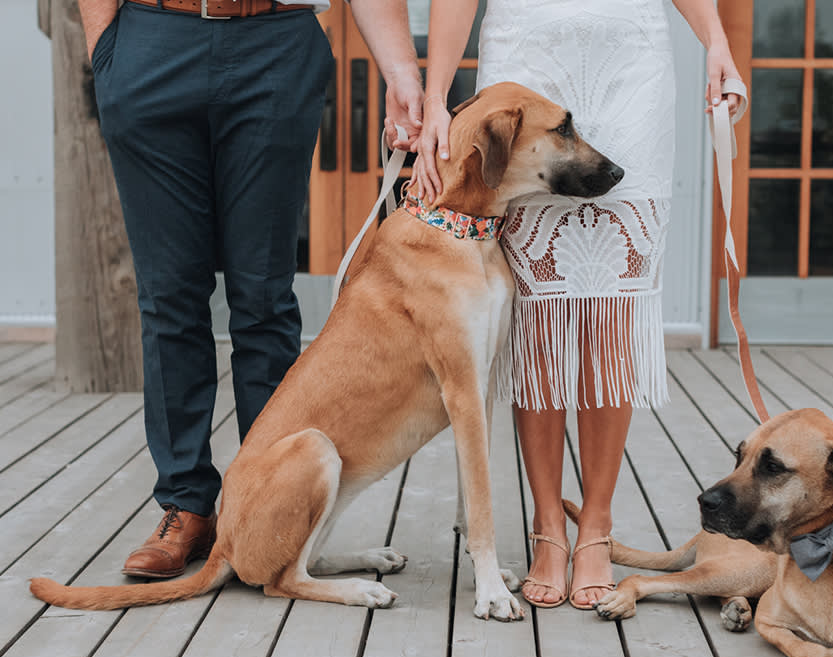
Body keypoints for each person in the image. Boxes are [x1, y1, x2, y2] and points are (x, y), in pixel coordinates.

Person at [76, 0, 424, 578]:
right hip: (150, 39)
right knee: (169, 296)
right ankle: (185, 505)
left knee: (263, 297)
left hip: (275, 41)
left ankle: (266, 507)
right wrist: (106, 53)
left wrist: (401, 73)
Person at [415, 0, 743, 608]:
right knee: (539, 312)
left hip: (632, 68)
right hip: (526, 60)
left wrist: (717, 46)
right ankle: (547, 526)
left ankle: (596, 526)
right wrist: (436, 96)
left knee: (612, 311)